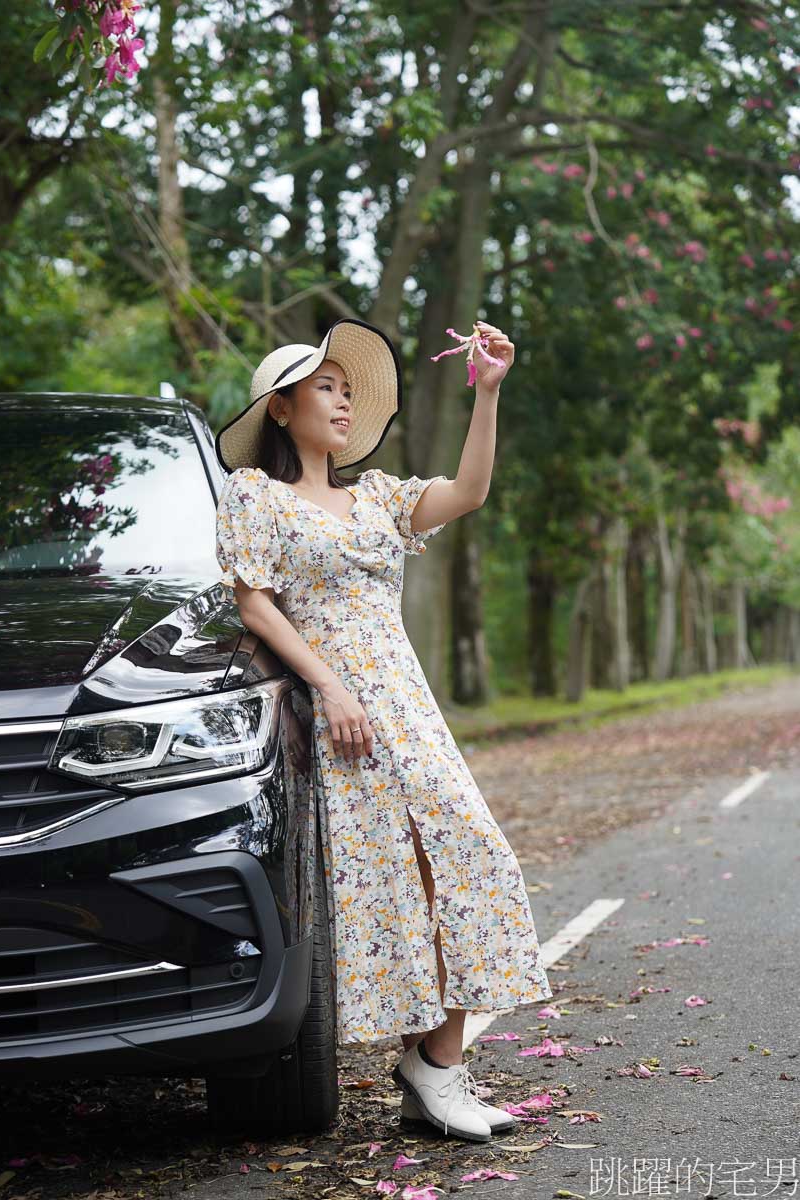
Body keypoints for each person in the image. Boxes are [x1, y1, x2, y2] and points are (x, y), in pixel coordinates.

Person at [214, 316, 554, 1143]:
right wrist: (328, 687)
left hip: (405, 708)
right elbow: (252, 600)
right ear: (282, 408)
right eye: (324, 387)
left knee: (468, 857)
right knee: (394, 886)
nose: (341, 401)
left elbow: (468, 492)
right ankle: (430, 1074)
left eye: (345, 389)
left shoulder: (378, 499)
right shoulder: (256, 497)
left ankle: (434, 1068)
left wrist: (487, 395)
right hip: (337, 720)